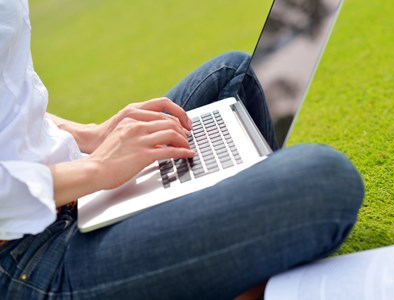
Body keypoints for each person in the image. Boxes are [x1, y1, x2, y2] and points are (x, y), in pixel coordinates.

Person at [0, 0, 364, 299]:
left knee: (229, 74)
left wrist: (89, 135)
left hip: (72, 185)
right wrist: (96, 171)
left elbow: (11, 95)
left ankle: (227, 242)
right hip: (28, 257)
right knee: (323, 180)